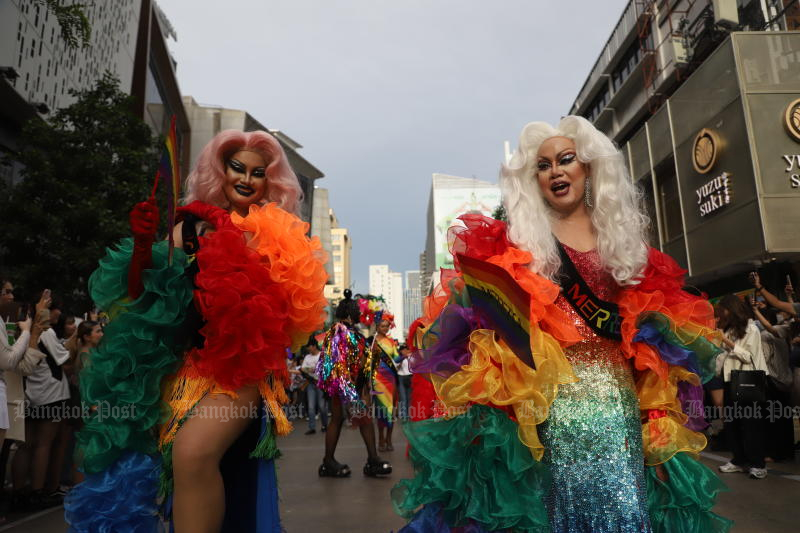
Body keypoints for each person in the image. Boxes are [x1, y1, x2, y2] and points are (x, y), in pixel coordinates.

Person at [393, 116, 731, 532]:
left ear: (588, 167)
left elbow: (651, 335)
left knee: (621, 506)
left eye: (566, 160)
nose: (555, 171)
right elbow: (477, 326)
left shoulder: (622, 241)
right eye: (543, 165)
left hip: (616, 404)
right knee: (553, 507)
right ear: (533, 180)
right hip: (547, 406)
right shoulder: (521, 244)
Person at [64, 129, 328, 532]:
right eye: (237, 168)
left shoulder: (276, 234)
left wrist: (235, 246)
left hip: (243, 369)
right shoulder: (189, 230)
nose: (246, 179)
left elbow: (286, 317)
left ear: (269, 182)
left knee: (192, 453)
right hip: (187, 370)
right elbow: (140, 298)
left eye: (258, 173)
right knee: (175, 463)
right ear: (219, 171)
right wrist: (140, 246)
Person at [316, 289, 391, 477]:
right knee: (341, 419)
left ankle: (371, 459)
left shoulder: (348, 332)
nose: (360, 315)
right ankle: (329, 462)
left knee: (360, 419)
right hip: (344, 385)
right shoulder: (340, 333)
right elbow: (340, 363)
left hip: (351, 385)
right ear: (350, 314)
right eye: (357, 312)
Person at [714, 294, 770, 479]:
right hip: (731, 381)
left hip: (749, 381)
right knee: (732, 424)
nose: (722, 314)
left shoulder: (751, 328)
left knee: (752, 425)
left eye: (723, 310)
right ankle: (738, 460)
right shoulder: (729, 329)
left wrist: (727, 342)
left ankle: (757, 464)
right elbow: (724, 357)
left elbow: (749, 357)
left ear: (732, 309)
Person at [372, 316, 401, 451]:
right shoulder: (372, 342)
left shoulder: (391, 342)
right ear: (377, 327)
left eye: (387, 326)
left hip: (391, 379)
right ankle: (381, 440)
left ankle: (389, 439)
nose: (385, 328)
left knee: (391, 410)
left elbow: (396, 358)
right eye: (383, 326)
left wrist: (405, 355)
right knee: (381, 411)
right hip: (378, 380)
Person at [300, 339, 327, 434]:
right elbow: (302, 368)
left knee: (322, 406)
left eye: (309, 347)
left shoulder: (322, 355)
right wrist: (309, 369)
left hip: (320, 384)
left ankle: (325, 425)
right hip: (311, 384)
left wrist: (315, 369)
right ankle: (312, 427)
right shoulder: (307, 357)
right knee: (311, 407)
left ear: (314, 346)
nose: (308, 349)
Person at [396, 344, 412, 420]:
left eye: (406, 349)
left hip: (410, 377)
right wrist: (402, 359)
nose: (405, 351)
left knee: (409, 397)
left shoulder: (411, 357)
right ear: (401, 351)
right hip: (401, 378)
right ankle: (403, 415)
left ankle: (409, 415)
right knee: (403, 398)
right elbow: (397, 367)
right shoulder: (398, 358)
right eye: (403, 350)